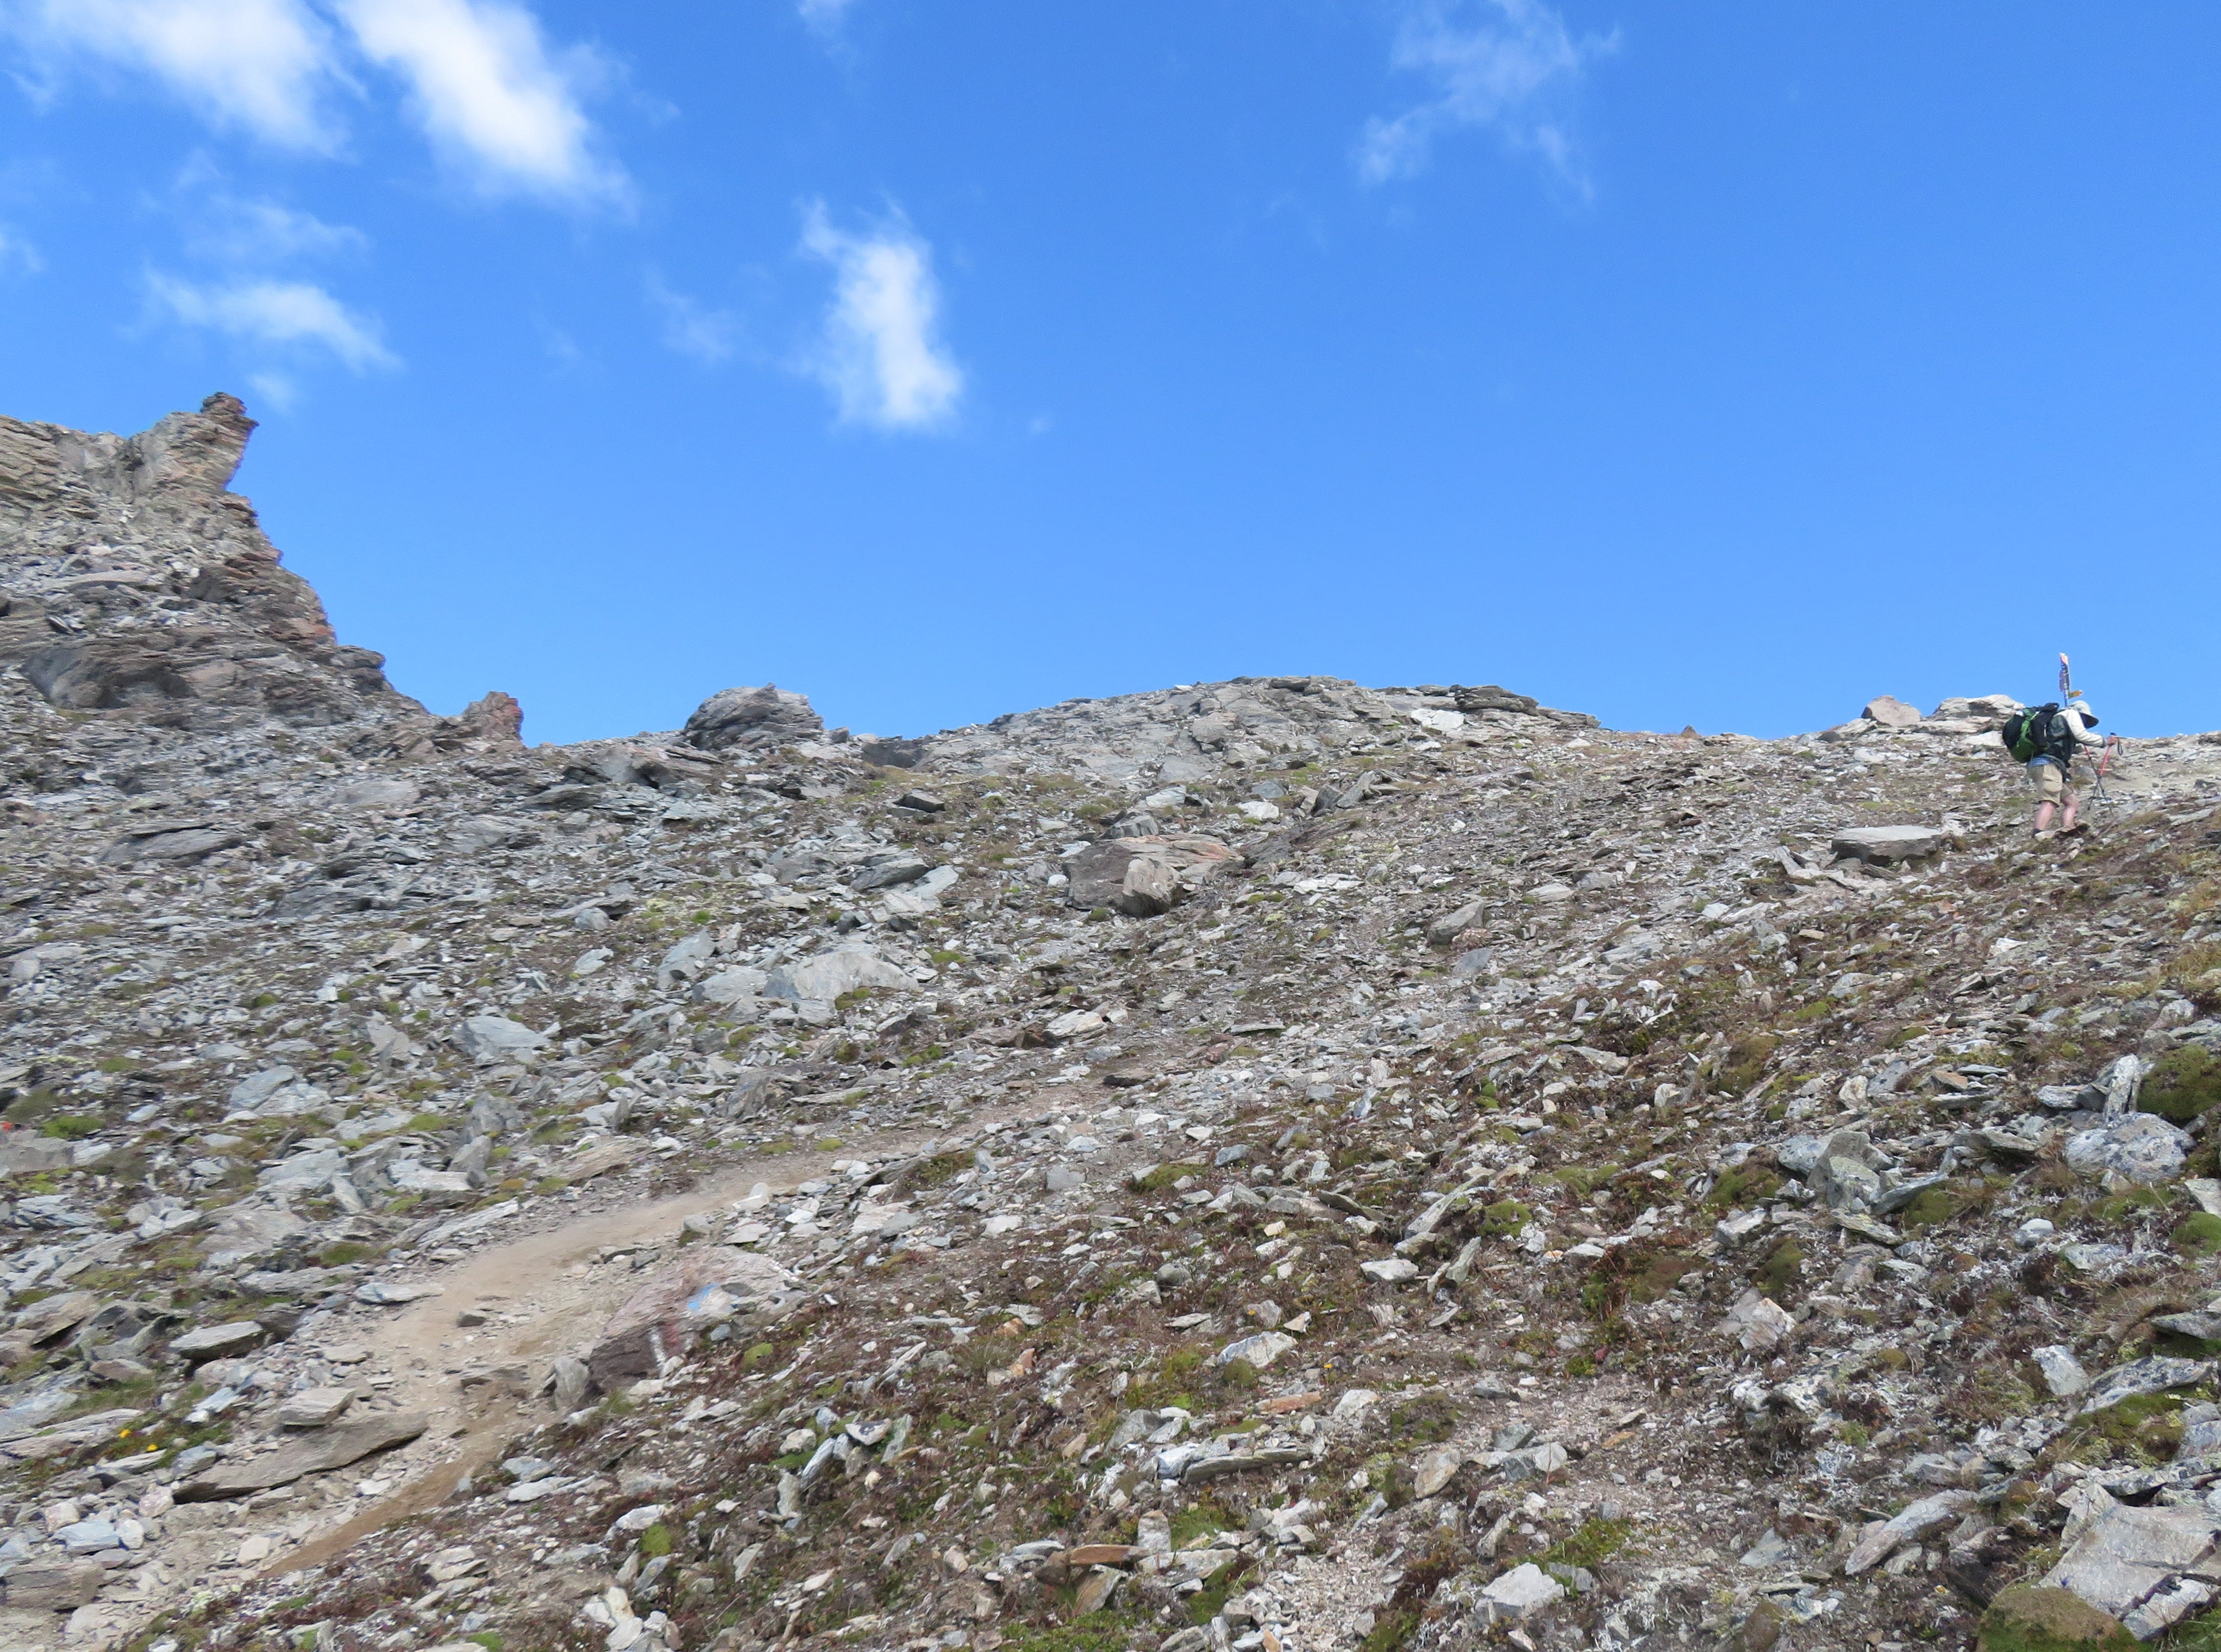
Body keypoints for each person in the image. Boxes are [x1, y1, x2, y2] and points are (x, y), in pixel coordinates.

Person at [2026, 701, 2101, 838]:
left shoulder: (2058, 718)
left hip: (2046, 764)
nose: (2084, 722)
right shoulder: (2071, 714)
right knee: (2050, 799)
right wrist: (2104, 741)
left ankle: (2068, 829)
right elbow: (2081, 735)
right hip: (2047, 763)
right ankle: (2038, 833)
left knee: (2072, 802)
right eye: (2085, 719)